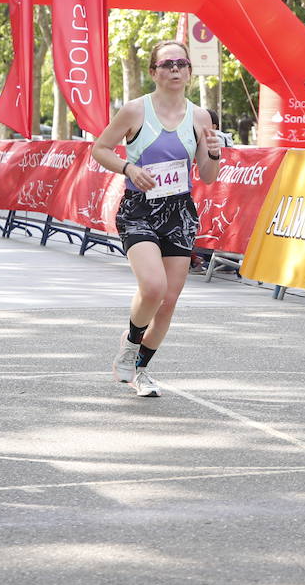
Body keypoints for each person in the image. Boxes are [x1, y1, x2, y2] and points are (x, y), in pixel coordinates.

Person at [93, 40, 222, 397]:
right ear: (154, 72)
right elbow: (100, 149)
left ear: (189, 72)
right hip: (139, 209)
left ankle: (140, 369)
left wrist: (213, 154)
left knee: (168, 300)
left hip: (179, 212)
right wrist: (129, 168)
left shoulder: (200, 117)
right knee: (153, 287)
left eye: (181, 63)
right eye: (167, 64)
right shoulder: (135, 111)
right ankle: (132, 342)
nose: (175, 69)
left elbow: (207, 176)